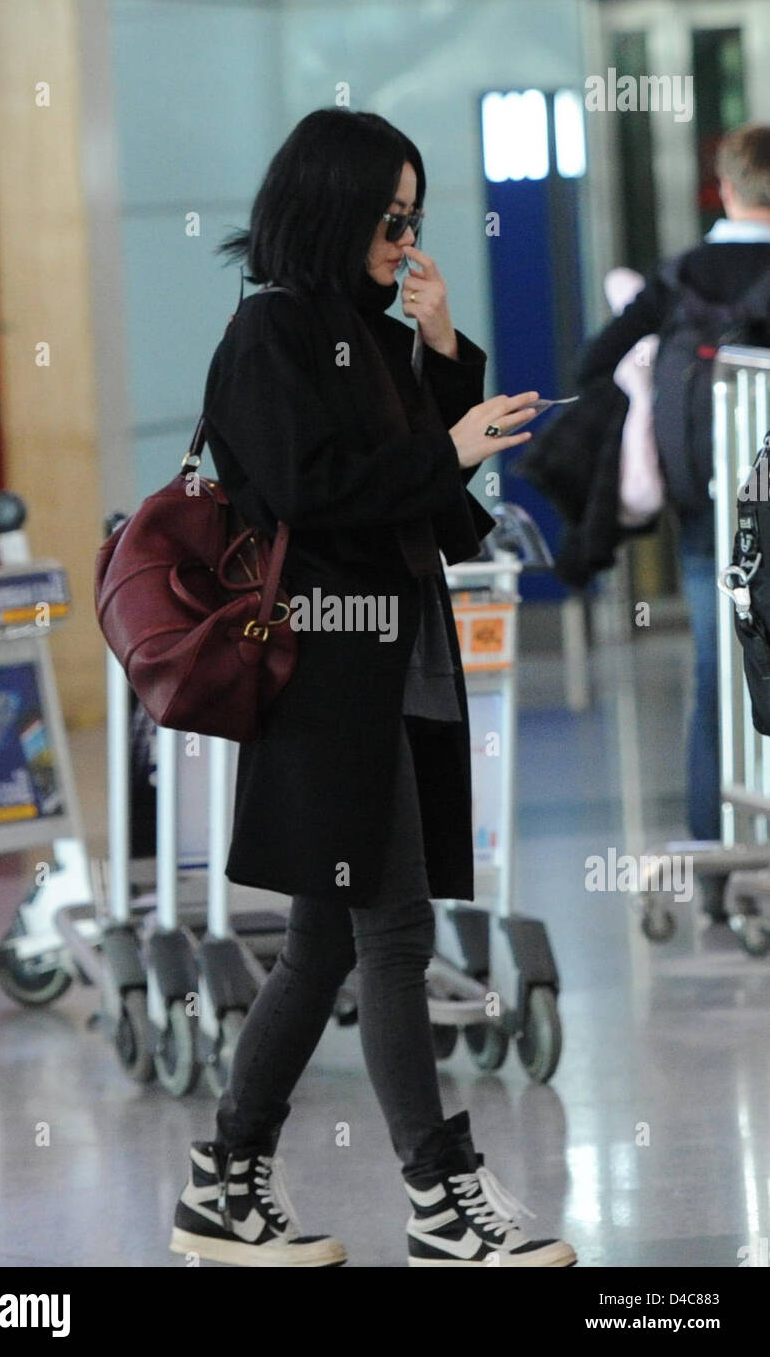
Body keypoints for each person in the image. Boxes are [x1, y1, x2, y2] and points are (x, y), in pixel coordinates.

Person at [168, 108, 577, 1269]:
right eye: (389, 218)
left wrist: (445, 354)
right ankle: (440, 1197)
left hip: (393, 665)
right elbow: (311, 492)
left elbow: (440, 518)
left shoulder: (366, 334)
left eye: (415, 218)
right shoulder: (271, 337)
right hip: (319, 675)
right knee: (390, 931)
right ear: (333, 209)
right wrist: (443, 444)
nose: (404, 241)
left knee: (325, 945)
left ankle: (224, 1186)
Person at [576, 124, 770, 879]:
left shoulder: (680, 273)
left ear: (722, 187)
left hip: (709, 514)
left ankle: (714, 854)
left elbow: (591, 361)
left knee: (716, 669)